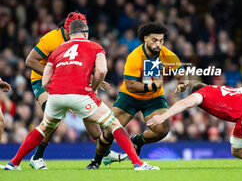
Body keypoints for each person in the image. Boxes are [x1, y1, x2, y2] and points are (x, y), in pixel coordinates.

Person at [4, 20, 158, 171]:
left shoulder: (58, 49)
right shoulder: (95, 46)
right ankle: (138, 164)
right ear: (86, 33)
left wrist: (57, 92)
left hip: (56, 94)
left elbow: (45, 80)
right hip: (80, 93)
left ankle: (13, 163)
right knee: (113, 124)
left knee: (43, 127)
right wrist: (94, 87)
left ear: (69, 34)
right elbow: (102, 71)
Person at [25, 12, 123, 169]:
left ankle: (103, 152)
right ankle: (37, 157)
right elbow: (30, 61)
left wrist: (92, 79)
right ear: (66, 28)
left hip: (68, 81)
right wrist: (54, 76)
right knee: (51, 120)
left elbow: (76, 65)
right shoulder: (51, 39)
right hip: (41, 80)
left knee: (88, 111)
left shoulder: (81, 41)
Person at [85, 21, 188, 169]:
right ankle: (96, 161)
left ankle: (137, 141)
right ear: (145, 38)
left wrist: (182, 83)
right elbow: (131, 85)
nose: (158, 44)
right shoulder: (135, 56)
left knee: (162, 130)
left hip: (153, 98)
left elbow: (180, 72)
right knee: (109, 131)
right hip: (130, 97)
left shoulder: (167, 54)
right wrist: (153, 85)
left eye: (161, 40)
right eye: (154, 40)